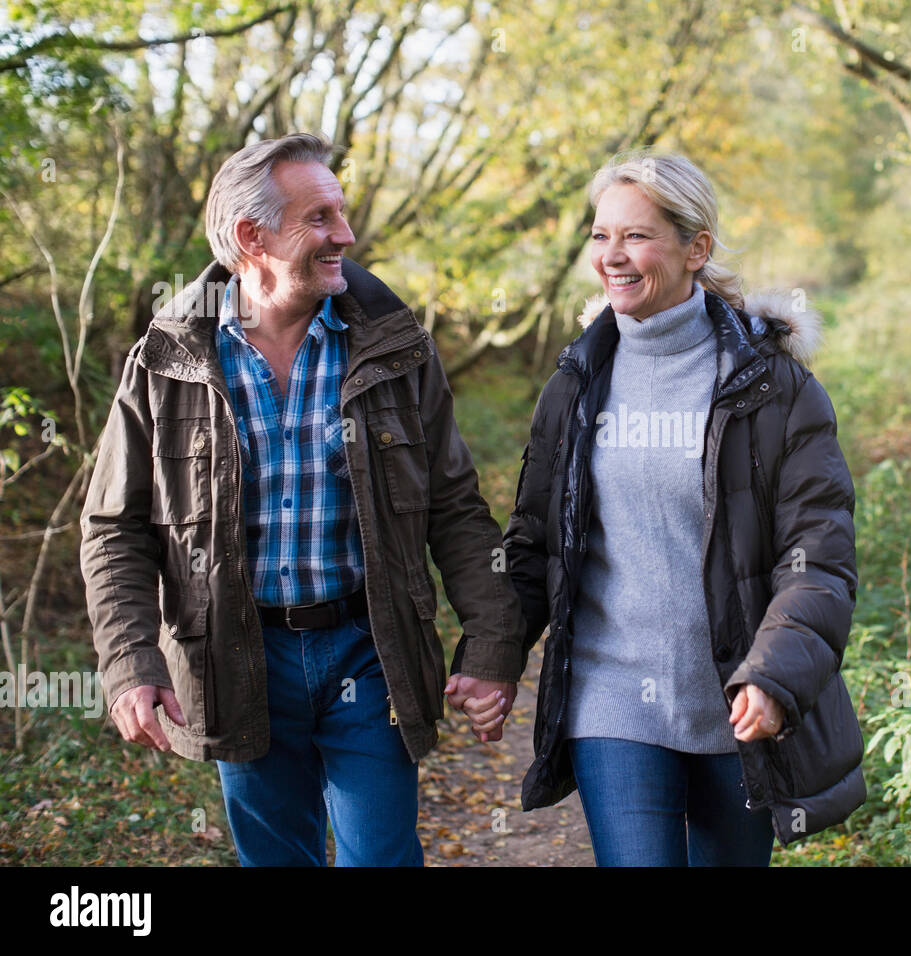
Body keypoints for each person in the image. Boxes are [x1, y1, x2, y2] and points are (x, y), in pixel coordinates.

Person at [80, 132, 524, 867]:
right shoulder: (167, 359)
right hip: (235, 654)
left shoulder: (394, 346)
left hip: (368, 647)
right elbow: (114, 527)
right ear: (251, 237)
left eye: (340, 214)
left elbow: (454, 508)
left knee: (381, 856)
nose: (344, 236)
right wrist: (132, 663)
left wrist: (492, 643)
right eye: (320, 218)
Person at [504, 151, 866, 866]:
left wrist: (773, 675)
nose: (612, 256)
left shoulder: (774, 389)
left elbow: (818, 555)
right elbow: (536, 541)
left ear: (696, 248)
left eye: (636, 236)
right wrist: (491, 656)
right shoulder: (578, 381)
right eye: (601, 235)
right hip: (611, 698)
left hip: (735, 705)